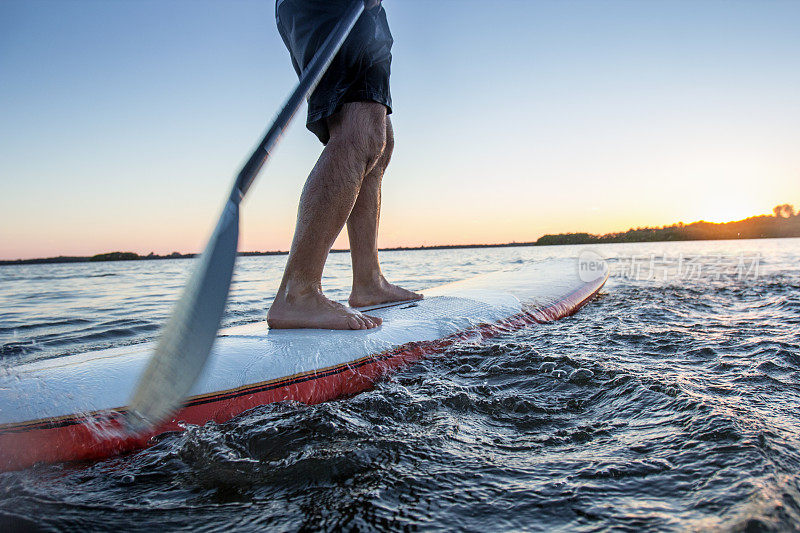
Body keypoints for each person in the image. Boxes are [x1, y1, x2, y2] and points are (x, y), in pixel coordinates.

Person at [267, 0, 422, 330]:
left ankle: (368, 281)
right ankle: (298, 292)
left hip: (365, 11)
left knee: (377, 140)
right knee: (359, 132)